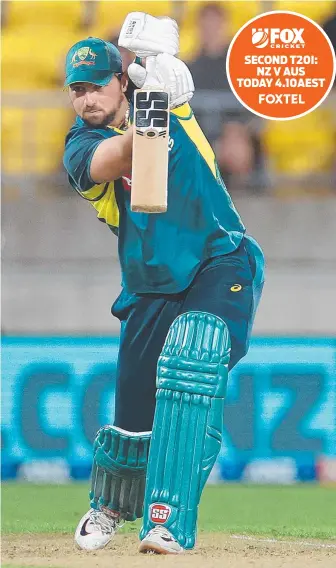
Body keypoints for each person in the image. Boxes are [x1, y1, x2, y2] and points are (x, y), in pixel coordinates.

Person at [63, 12, 265, 556]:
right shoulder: (81, 147)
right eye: (76, 90)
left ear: (120, 79)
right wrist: (154, 99)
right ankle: (111, 504)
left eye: (96, 85)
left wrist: (170, 90)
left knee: (193, 356)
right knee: (132, 418)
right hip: (150, 282)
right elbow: (125, 154)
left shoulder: (176, 105)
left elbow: (184, 136)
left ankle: (167, 519)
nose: (86, 99)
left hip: (220, 261)